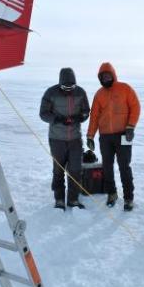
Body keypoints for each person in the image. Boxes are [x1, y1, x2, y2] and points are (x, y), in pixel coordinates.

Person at [86, 62, 140, 211]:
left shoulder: (125, 89)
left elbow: (135, 107)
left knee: (124, 166)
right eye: (103, 76)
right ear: (100, 78)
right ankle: (112, 193)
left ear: (113, 75)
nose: (106, 78)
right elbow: (94, 116)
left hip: (124, 135)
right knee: (107, 167)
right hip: (105, 137)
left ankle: (128, 198)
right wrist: (90, 136)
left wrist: (131, 127)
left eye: (108, 75)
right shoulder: (99, 94)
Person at [40, 68, 90, 210]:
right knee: (58, 169)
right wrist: (58, 119)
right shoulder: (51, 93)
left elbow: (86, 111)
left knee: (75, 169)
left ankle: (73, 199)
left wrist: (79, 118)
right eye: (65, 87)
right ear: (60, 83)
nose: (69, 89)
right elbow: (43, 114)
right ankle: (59, 199)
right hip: (57, 139)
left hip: (75, 139)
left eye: (71, 87)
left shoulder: (81, 92)